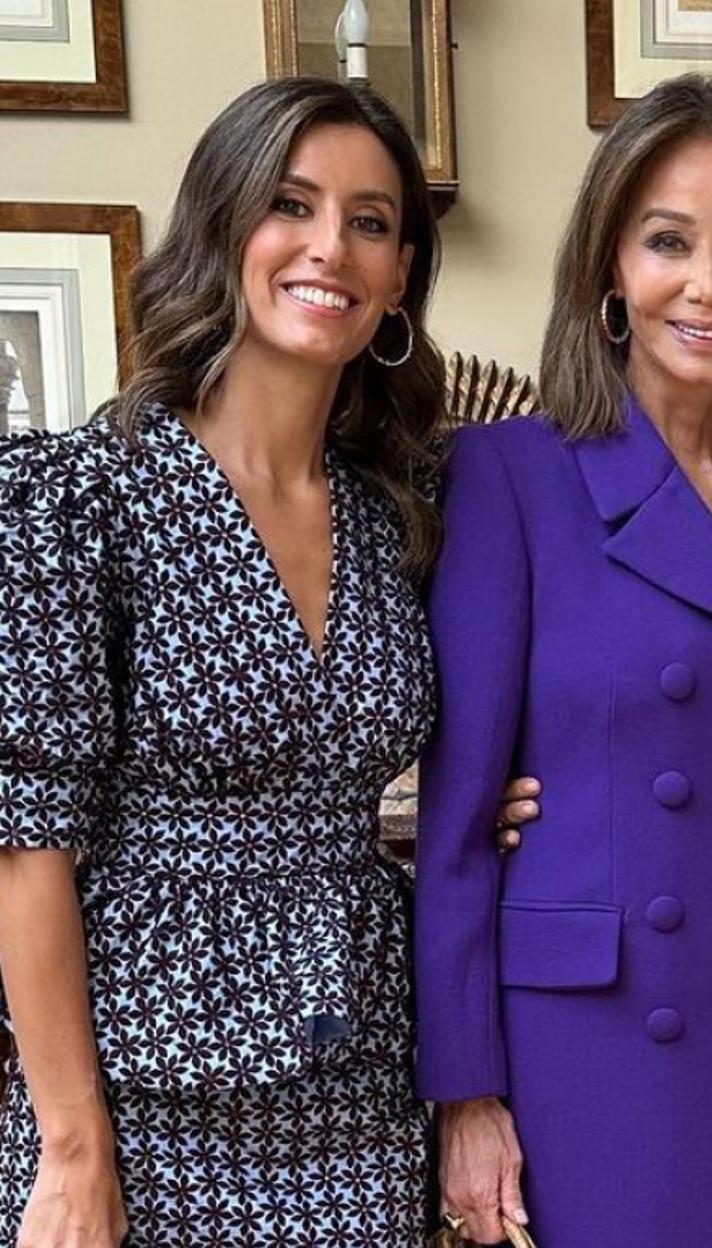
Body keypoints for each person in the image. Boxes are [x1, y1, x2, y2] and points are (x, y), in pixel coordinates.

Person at [413, 74, 712, 1248]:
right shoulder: (512, 477)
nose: (707, 285)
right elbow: (462, 816)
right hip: (589, 1053)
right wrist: (465, 1096)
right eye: (669, 241)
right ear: (611, 268)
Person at [0, 77, 447, 1246]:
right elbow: (25, 848)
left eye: (369, 220)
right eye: (289, 206)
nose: (329, 249)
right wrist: (72, 1147)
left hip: (361, 1088)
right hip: (139, 1105)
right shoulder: (82, 496)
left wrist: (517, 802)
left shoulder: (399, 512)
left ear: (401, 272)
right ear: (223, 228)